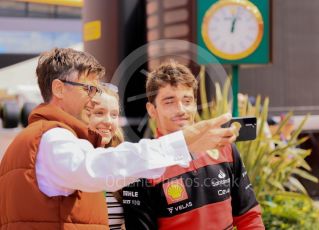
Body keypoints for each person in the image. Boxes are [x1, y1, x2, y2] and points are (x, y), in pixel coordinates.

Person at [0, 48, 237, 229]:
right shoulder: (52, 137)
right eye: (88, 88)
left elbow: (110, 173)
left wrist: (186, 147)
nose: (93, 98)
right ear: (59, 89)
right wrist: (182, 142)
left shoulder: (41, 136)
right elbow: (100, 168)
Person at [122, 62, 265, 229]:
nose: (181, 109)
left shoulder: (223, 147)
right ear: (152, 109)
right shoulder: (142, 164)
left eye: (187, 100)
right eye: (169, 102)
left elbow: (249, 217)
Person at [84, 83, 126, 229]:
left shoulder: (123, 163)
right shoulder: (71, 160)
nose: (108, 121)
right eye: (99, 113)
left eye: (114, 114)